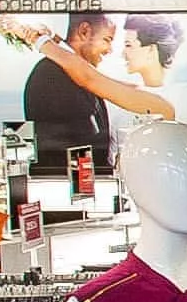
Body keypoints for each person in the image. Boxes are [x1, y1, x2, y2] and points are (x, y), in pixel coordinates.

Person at [21, 10, 171, 179]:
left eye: (129, 45)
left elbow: (89, 78)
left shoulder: (155, 102)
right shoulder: (52, 75)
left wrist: (41, 41)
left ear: (152, 51)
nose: (116, 51)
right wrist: (57, 41)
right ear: (84, 31)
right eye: (107, 40)